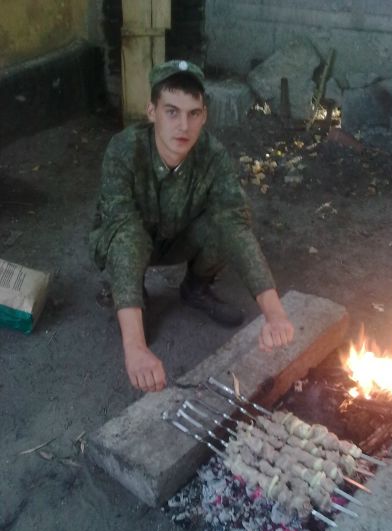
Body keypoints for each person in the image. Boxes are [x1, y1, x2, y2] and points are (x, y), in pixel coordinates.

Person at [90, 59, 294, 393]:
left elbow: (233, 224)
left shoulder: (213, 154)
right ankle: (130, 299)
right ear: (152, 111)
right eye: (171, 112)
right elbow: (120, 225)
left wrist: (275, 314)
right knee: (128, 236)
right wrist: (136, 350)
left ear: (204, 116)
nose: (183, 126)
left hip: (178, 236)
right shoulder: (124, 149)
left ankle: (196, 288)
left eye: (193, 113)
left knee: (225, 222)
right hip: (128, 241)